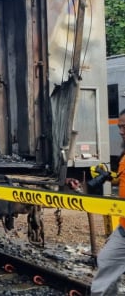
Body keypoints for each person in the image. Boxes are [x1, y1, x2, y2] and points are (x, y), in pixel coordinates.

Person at [91, 108, 125, 295]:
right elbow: (122, 179)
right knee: (106, 260)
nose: (120, 131)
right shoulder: (124, 156)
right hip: (124, 228)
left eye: (124, 127)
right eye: (119, 126)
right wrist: (107, 176)